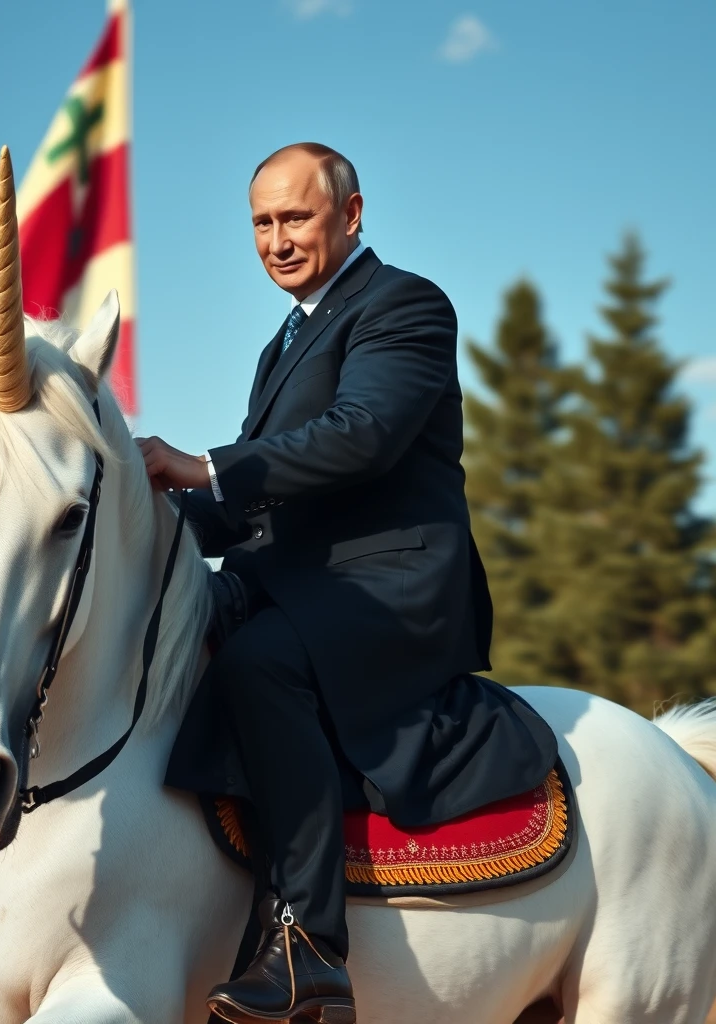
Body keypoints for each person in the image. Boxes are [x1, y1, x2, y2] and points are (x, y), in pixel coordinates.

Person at [136, 143, 556, 1023]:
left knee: (258, 666)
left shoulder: (404, 303)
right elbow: (263, 500)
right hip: (293, 578)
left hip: (388, 586)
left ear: (353, 215)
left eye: (296, 218)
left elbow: (360, 436)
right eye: (262, 222)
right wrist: (141, 522)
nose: (277, 240)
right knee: (159, 629)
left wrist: (200, 464)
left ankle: (305, 947)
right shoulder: (283, 337)